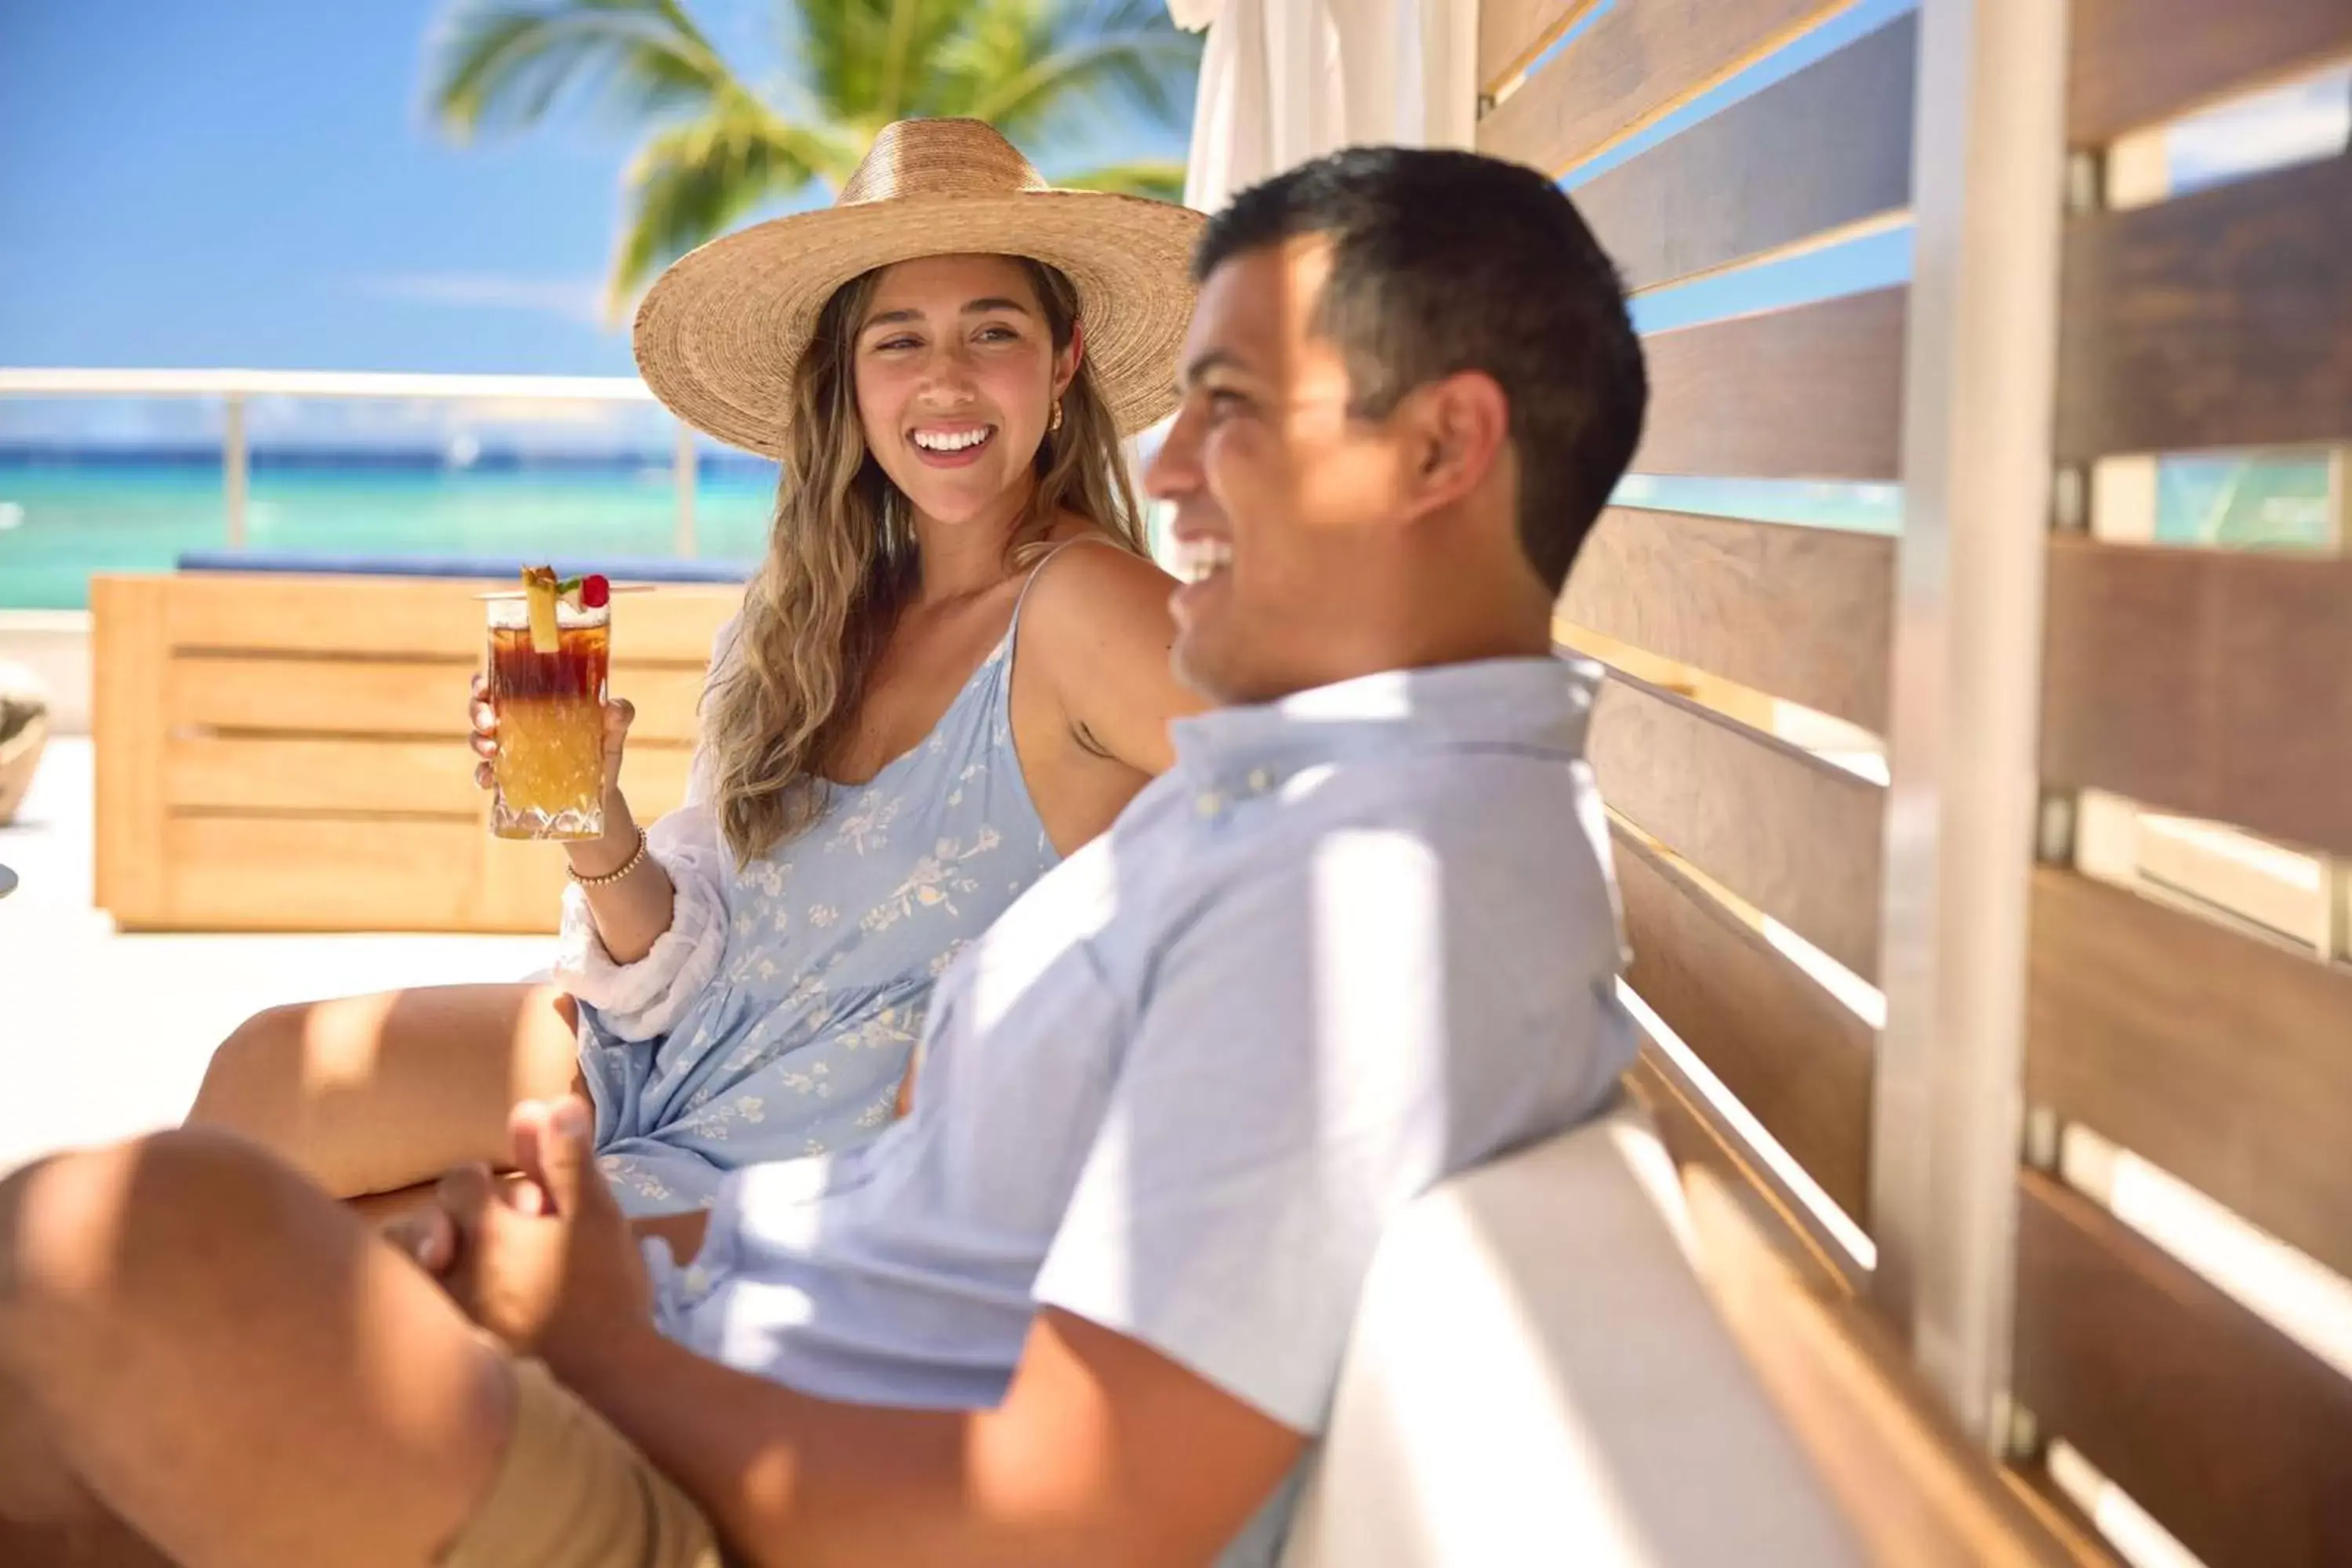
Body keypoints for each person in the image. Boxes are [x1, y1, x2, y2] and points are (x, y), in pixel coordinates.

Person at [0, 143, 1650, 1567]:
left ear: (1440, 452)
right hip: (736, 1272)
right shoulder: (1317, 794)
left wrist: (599, 1330)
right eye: (898, 341)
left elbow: (1072, 1504)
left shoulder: (1379, 878)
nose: (1162, 470)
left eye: (1224, 408)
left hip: (737, 1428)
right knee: (109, 1297)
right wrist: (626, 1246)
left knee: (137, 1256)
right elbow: (925, 1199)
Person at [184, 118, 1207, 1214]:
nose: (945, 382)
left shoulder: (1086, 605)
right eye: (898, 341)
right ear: (851, 385)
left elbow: (1335, 807)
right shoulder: (810, 618)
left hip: (830, 1148)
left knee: (356, 1272)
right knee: (266, 1080)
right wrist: (591, 819)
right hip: (669, 1051)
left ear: (1065, 360)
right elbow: (687, 946)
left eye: (991, 332)